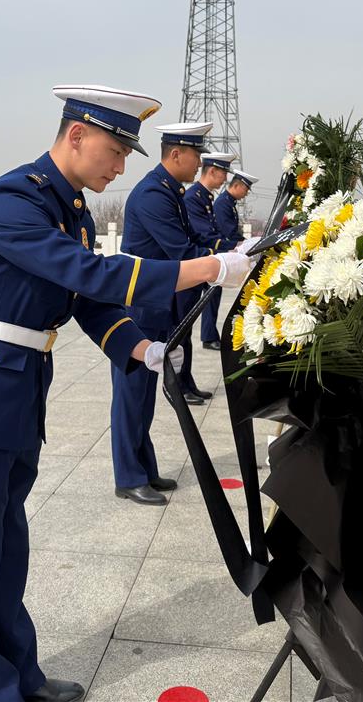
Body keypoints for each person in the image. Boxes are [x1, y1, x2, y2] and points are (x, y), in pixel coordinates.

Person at [0, 86, 253, 702]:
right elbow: (89, 273)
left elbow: (87, 301)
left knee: (7, 551)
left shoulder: (69, 210)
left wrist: (141, 348)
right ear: (76, 135)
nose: (121, 167)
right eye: (116, 151)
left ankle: (22, 677)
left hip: (16, 390)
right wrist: (208, 268)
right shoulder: (12, 200)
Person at [111, 123, 243, 504]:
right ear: (175, 154)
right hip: (138, 306)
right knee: (131, 395)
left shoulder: (169, 191)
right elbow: (181, 252)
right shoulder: (153, 195)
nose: (199, 162)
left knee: (145, 397)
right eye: (196, 155)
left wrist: (229, 252)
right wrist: (222, 264)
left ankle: (145, 470)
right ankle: (128, 476)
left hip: (156, 305)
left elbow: (193, 240)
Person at [179, 154, 241, 370]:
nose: (225, 179)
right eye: (223, 173)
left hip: (206, 258)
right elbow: (204, 235)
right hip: (195, 262)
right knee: (181, 331)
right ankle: (182, 381)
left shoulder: (205, 197)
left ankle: (186, 381)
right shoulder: (193, 197)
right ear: (212, 171)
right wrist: (231, 248)